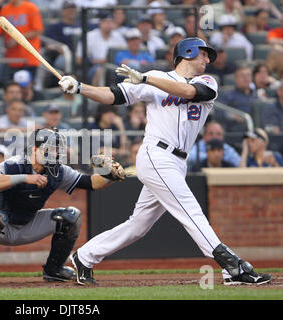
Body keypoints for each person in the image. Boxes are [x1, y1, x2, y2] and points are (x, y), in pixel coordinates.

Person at [58, 37, 272, 286]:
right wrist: (79, 87)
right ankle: (232, 267)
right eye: (204, 54)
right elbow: (112, 95)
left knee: (138, 225)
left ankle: (84, 256)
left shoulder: (206, 81)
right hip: (156, 155)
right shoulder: (153, 78)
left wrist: (146, 78)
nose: (207, 60)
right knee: (190, 211)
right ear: (189, 53)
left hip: (178, 161)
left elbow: (190, 92)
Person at [0, 127, 124, 285]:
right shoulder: (15, 164)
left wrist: (109, 176)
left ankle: (53, 270)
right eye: (50, 150)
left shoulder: (58, 171)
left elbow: (90, 183)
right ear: (35, 149)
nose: (56, 154)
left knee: (71, 216)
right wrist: (26, 178)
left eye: (58, 150)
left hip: (25, 223)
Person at [0, 0, 44, 79]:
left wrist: (16, 39)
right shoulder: (5, 9)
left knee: (27, 87)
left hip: (29, 58)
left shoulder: (31, 7)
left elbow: (38, 30)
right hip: (12, 58)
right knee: (12, 86)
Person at [75, 11, 127, 85]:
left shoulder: (117, 35)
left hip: (115, 66)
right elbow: (79, 59)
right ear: (100, 23)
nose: (108, 24)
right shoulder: (90, 36)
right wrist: (98, 61)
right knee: (100, 70)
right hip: (94, 67)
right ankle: (95, 94)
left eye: (110, 22)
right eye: (105, 22)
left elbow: (125, 52)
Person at [217, 65, 257, 132]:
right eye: (242, 76)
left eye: (248, 75)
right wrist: (232, 115)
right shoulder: (228, 95)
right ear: (236, 79)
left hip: (254, 130)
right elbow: (218, 111)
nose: (246, 78)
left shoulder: (256, 95)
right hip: (234, 131)